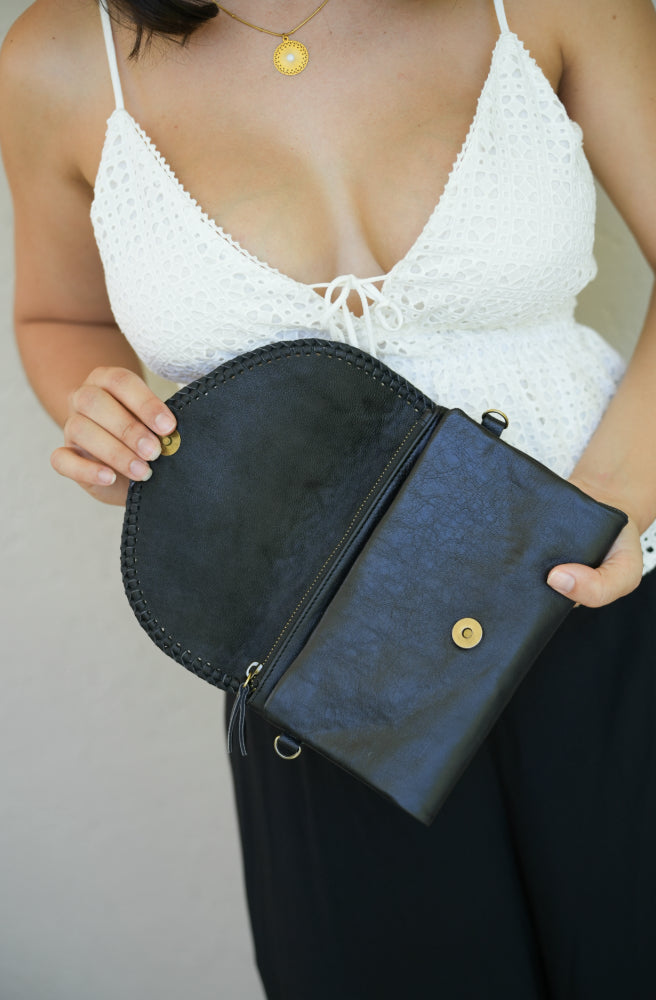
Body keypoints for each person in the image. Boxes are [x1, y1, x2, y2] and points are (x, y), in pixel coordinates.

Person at [1, 0, 655, 995]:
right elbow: (59, 316)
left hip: (607, 597)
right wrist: (106, 416)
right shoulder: (58, 58)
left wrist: (614, 495)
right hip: (319, 670)